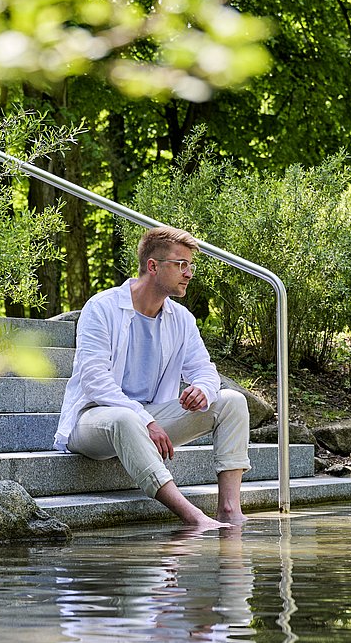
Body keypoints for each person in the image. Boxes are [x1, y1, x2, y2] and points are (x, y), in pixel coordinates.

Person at [53, 226, 250, 530]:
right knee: (125, 418)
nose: (189, 273)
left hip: (149, 421)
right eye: (180, 264)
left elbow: (204, 369)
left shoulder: (181, 318)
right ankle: (193, 516)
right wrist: (144, 419)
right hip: (93, 422)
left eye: (190, 266)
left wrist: (203, 389)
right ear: (153, 266)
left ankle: (229, 509)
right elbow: (94, 380)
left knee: (232, 401)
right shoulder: (102, 308)